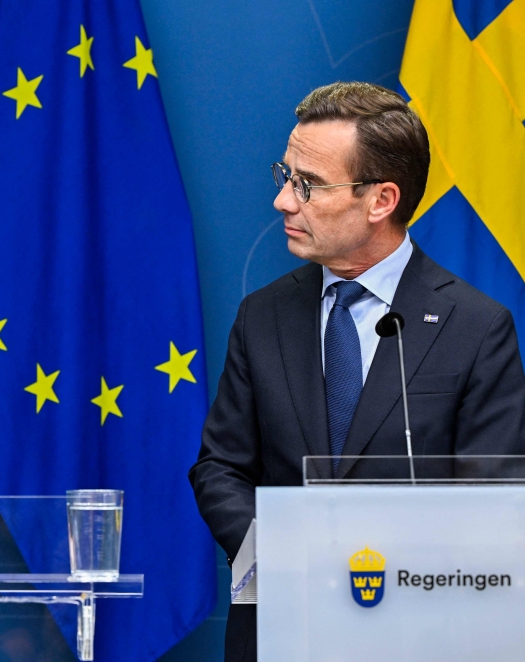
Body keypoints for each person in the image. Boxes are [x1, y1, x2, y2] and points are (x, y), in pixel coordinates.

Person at [189, 82, 525, 662]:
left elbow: (490, 499)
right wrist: (279, 561)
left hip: (419, 636)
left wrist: (375, 580)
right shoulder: (262, 315)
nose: (283, 202)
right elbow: (221, 467)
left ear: (381, 200)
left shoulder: (476, 327)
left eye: (309, 185)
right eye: (285, 176)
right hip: (279, 630)